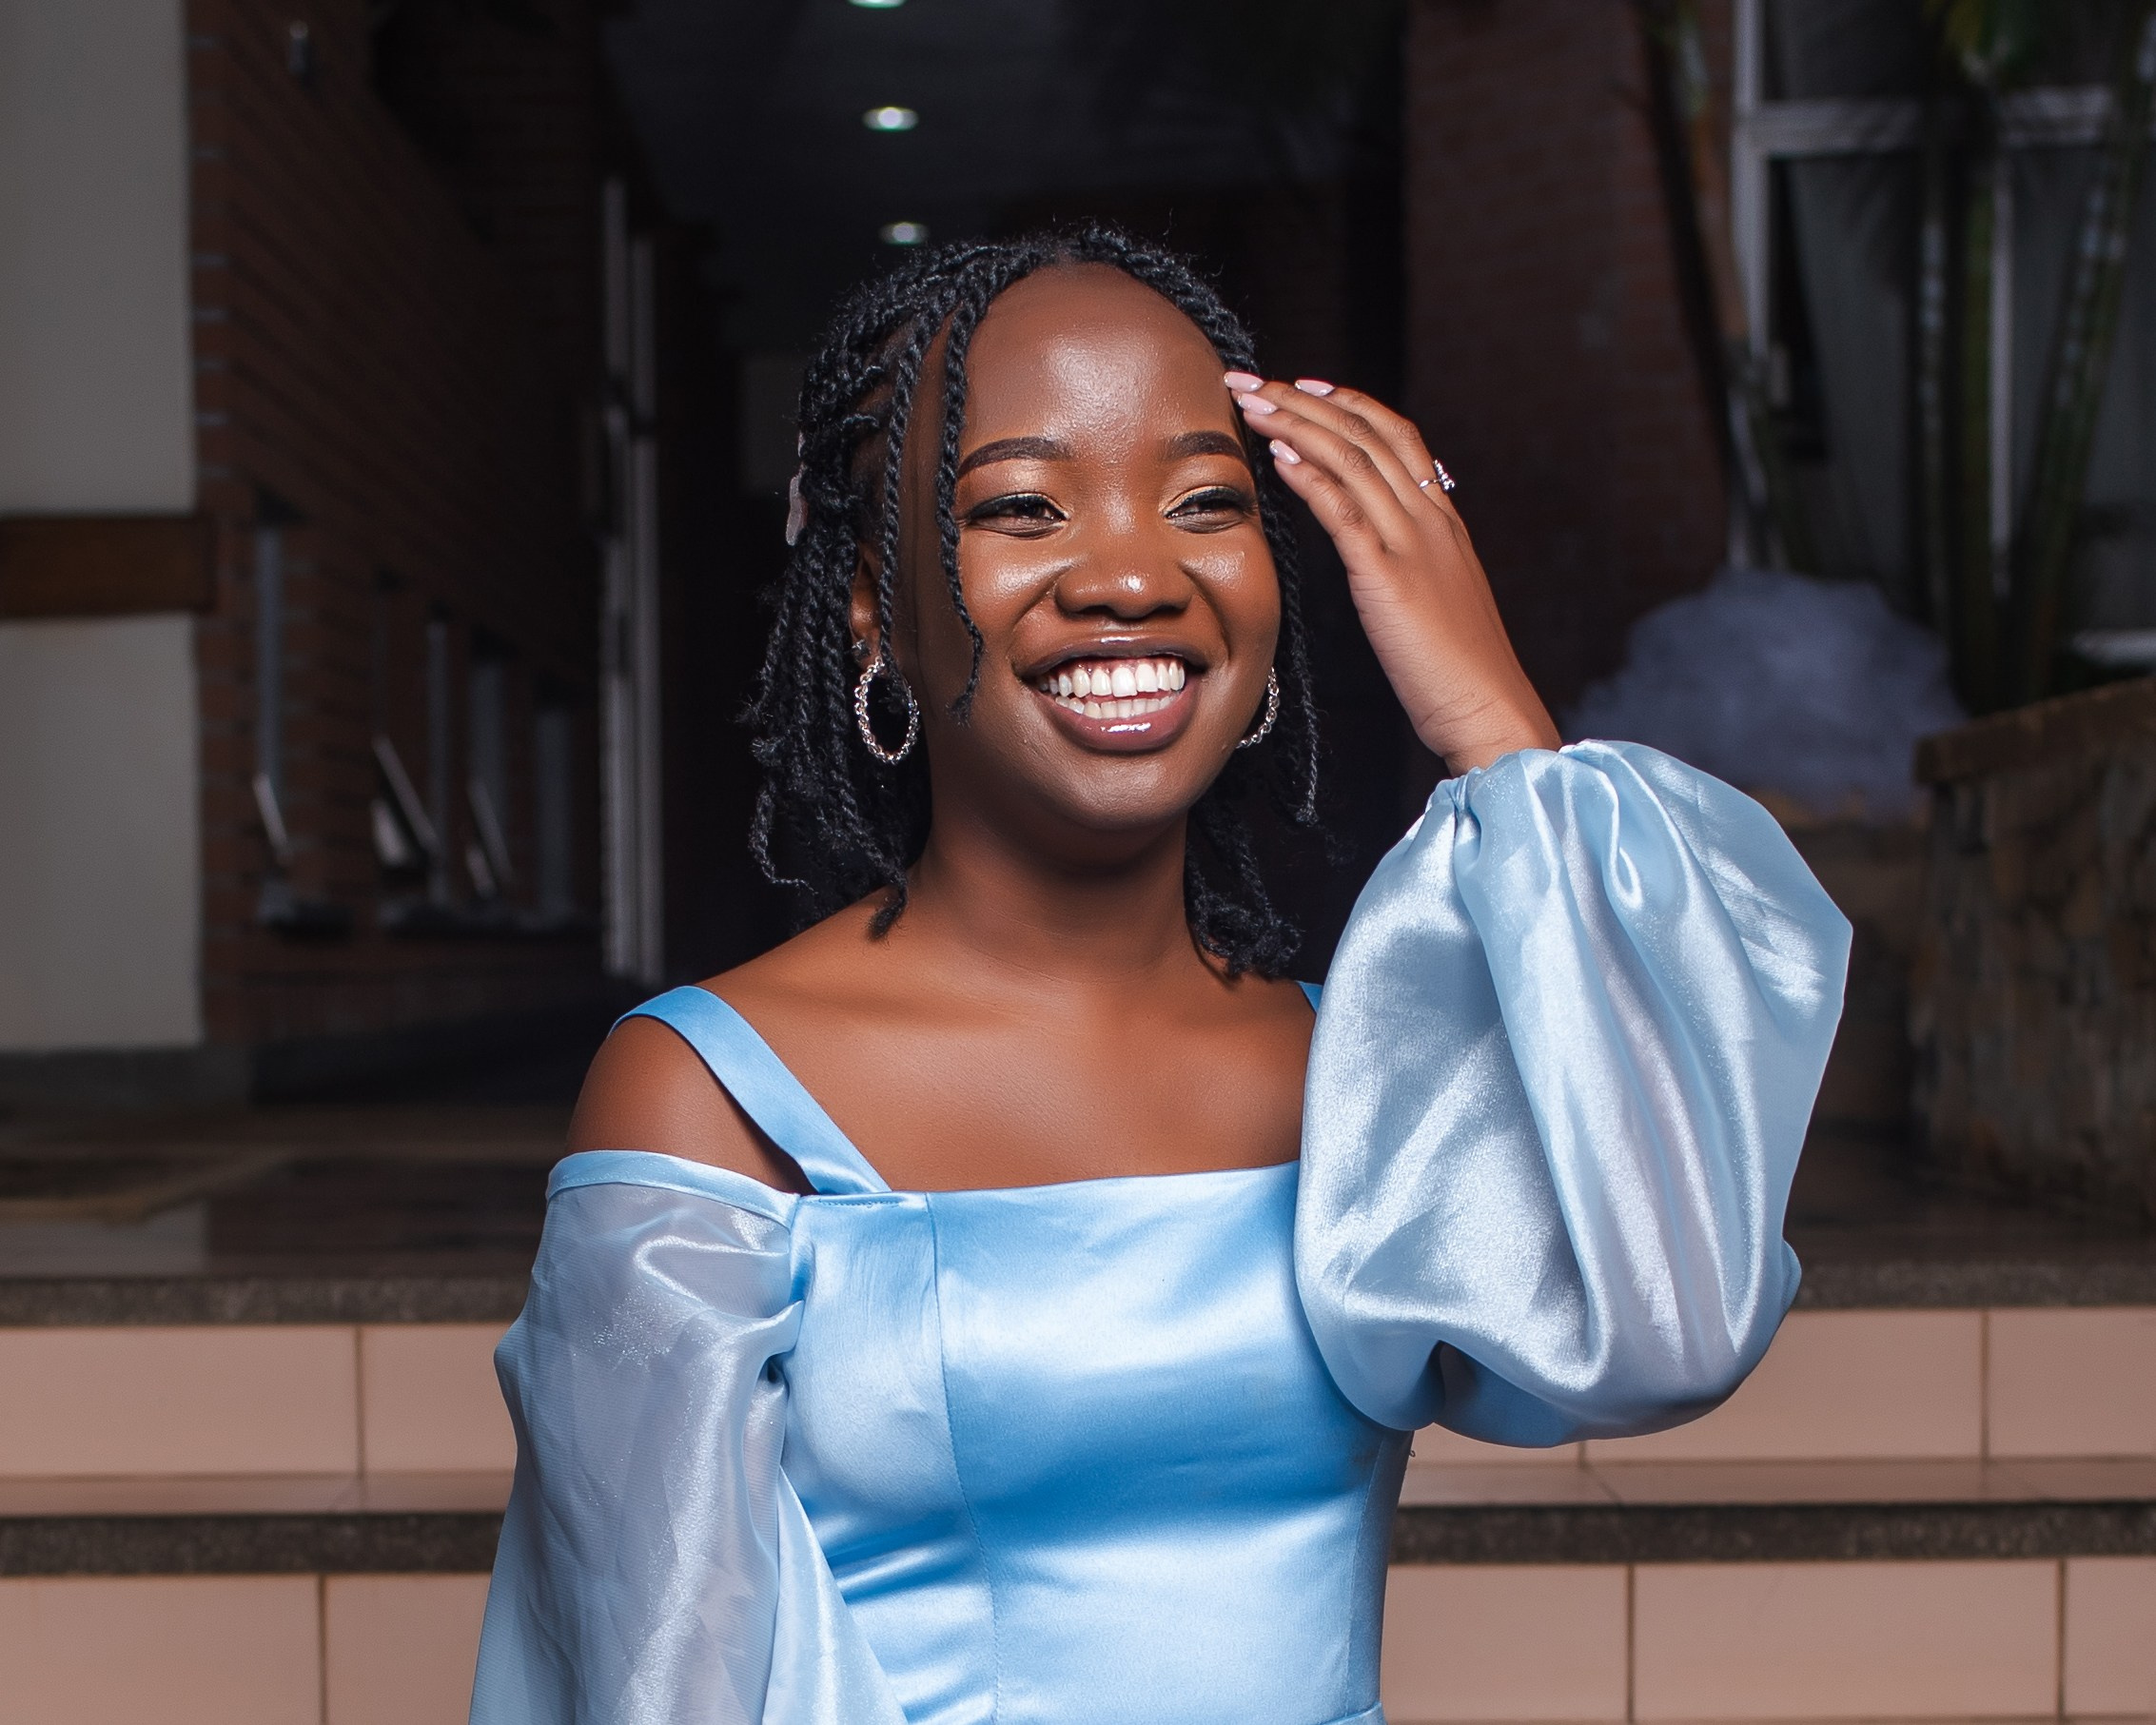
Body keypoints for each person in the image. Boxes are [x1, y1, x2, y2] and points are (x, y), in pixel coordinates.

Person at [468, 227, 1849, 1725]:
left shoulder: (1358, 1073)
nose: (1130, 575)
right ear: (872, 597)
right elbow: (648, 1683)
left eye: (1204, 501)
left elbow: (1666, 1332)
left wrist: (1496, 729)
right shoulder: (709, 1093)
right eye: (1021, 506)